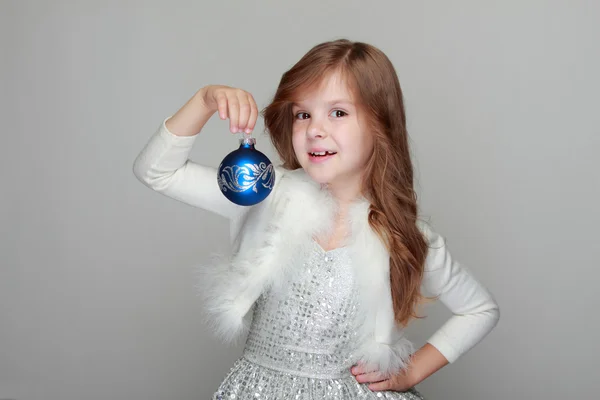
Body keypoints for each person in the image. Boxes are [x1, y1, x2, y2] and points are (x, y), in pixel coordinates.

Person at [132, 39, 500, 399]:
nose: (314, 129)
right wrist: (204, 100)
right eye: (303, 114)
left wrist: (413, 370)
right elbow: (156, 172)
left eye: (338, 112)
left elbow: (479, 310)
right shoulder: (263, 193)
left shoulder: (406, 236)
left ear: (380, 124)